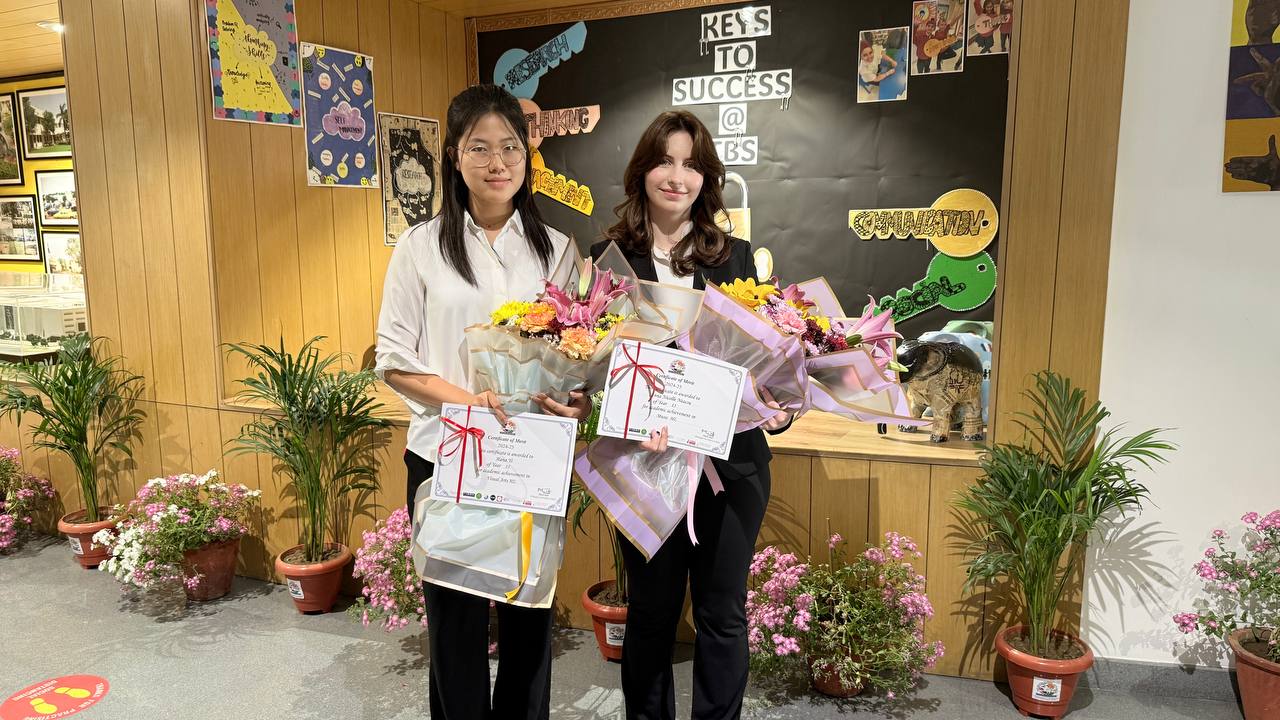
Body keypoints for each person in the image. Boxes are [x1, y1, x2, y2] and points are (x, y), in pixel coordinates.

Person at [374, 83, 591, 720]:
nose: (498, 163)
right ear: (454, 155)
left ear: (527, 156)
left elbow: (573, 353)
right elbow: (394, 358)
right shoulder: (420, 247)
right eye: (480, 148)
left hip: (530, 456)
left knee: (529, 620)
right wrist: (470, 402)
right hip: (449, 455)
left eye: (511, 147)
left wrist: (576, 400)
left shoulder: (557, 249)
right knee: (455, 626)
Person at [591, 110, 792, 720]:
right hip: (646, 465)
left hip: (731, 468)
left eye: (691, 165)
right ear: (642, 171)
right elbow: (594, 366)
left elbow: (768, 362)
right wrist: (623, 414)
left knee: (721, 613)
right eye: (664, 161)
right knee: (651, 614)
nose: (677, 177)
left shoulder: (735, 258)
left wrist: (777, 408)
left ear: (706, 179)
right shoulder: (607, 261)